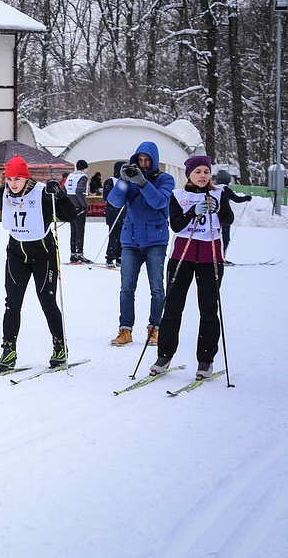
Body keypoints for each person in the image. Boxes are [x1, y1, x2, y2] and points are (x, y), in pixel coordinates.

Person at [0, 155, 84, 372]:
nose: (12, 184)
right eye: (9, 179)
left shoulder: (41, 192)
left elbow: (70, 215)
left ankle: (59, 347)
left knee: (47, 301)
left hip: (43, 253)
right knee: (12, 302)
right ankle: (8, 350)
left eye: (16, 179)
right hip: (16, 253)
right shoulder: (6, 191)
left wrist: (60, 194)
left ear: (25, 178)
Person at [151, 156, 232, 379]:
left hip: (211, 258)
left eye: (206, 171)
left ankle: (205, 360)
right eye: (197, 171)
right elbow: (176, 225)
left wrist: (217, 210)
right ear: (189, 174)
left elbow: (229, 217)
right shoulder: (178, 195)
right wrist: (192, 212)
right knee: (173, 307)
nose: (203, 175)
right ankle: (164, 355)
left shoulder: (219, 193)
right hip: (182, 257)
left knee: (208, 308)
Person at [107, 141, 175, 347]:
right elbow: (115, 201)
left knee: (157, 288)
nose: (143, 164)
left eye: (147, 160)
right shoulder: (129, 177)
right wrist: (123, 180)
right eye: (140, 160)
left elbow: (160, 202)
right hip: (131, 239)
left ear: (154, 161)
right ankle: (125, 329)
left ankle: (155, 328)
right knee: (126, 288)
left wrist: (144, 183)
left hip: (155, 240)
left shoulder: (165, 179)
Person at [212, 169, 251, 260]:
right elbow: (236, 199)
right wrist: (246, 198)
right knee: (225, 238)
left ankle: (213, 256)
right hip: (224, 215)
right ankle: (221, 257)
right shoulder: (225, 188)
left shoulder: (213, 188)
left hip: (214, 216)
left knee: (215, 237)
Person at [65, 159, 91, 263]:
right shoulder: (83, 177)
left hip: (71, 206)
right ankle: (79, 253)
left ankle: (73, 253)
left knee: (73, 231)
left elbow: (65, 190)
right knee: (80, 231)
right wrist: (84, 205)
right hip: (79, 207)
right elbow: (79, 190)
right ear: (85, 168)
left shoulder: (71, 176)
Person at [102, 162, 127, 267]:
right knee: (114, 236)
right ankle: (110, 257)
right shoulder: (111, 181)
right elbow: (106, 198)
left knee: (123, 236)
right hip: (113, 214)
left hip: (124, 213)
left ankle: (119, 256)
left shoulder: (127, 182)